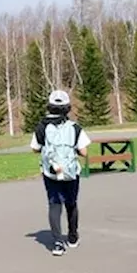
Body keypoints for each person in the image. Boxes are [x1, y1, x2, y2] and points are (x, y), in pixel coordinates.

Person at [29, 89, 91, 257]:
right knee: (71, 203)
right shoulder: (75, 127)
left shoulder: (41, 127)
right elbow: (84, 152)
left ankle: (57, 242)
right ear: (67, 108)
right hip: (71, 172)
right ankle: (72, 236)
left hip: (51, 173)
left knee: (54, 204)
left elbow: (34, 148)